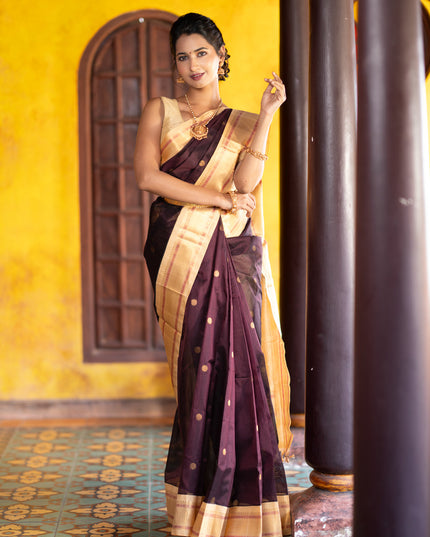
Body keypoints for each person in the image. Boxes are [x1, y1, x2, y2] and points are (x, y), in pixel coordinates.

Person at [134, 12, 292, 537]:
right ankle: (196, 509)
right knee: (194, 376)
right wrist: (220, 199)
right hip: (177, 249)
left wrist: (267, 113)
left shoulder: (244, 121)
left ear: (221, 57)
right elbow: (147, 176)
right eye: (183, 56)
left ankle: (243, 511)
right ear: (176, 67)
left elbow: (249, 181)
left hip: (227, 253)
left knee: (237, 368)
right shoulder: (160, 111)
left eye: (203, 53)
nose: (194, 64)